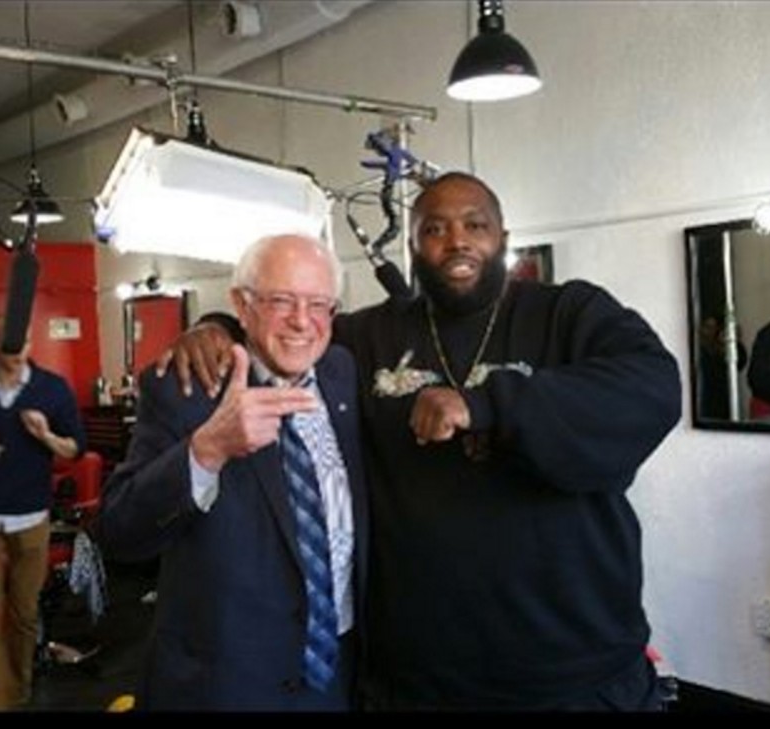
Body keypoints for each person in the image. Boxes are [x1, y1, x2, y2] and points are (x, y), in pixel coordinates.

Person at [161, 172, 682, 711]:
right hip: (419, 675)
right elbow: (292, 334)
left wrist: (487, 406)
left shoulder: (569, 313)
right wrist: (218, 325)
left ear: (502, 238)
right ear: (412, 247)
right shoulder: (365, 338)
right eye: (434, 228)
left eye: (475, 225)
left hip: (569, 667)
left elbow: (654, 386)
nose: (457, 240)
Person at [93, 235, 369, 711]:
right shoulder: (187, 387)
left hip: (335, 677)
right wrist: (206, 451)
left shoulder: (344, 372)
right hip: (224, 684)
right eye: (281, 300)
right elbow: (118, 531)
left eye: (318, 303)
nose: (302, 321)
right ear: (242, 304)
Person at [0, 314, 86, 710]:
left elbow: (76, 449)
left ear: (31, 343)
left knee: (22, 613)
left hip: (31, 519)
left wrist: (45, 435)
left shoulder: (51, 389)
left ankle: (13, 695)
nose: (15, 353)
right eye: (6, 345)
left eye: (21, 344)